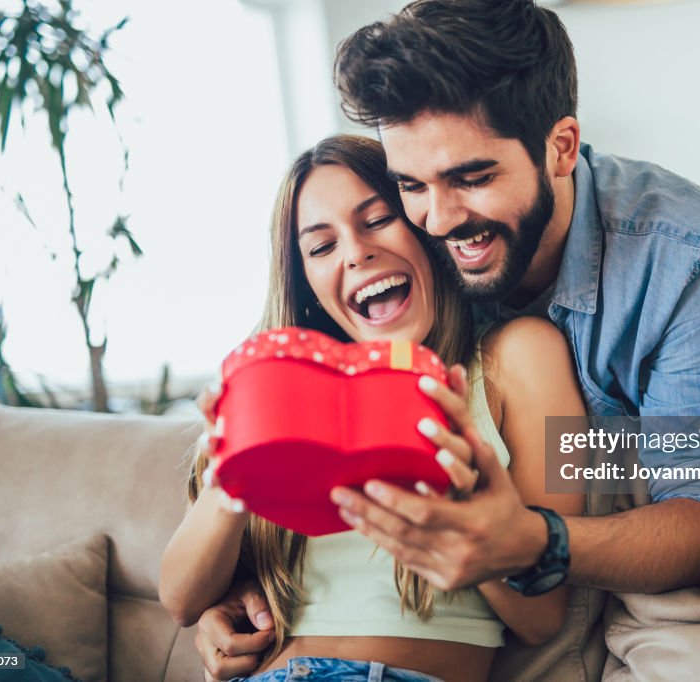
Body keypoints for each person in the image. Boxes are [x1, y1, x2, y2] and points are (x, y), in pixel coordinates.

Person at [196, 0, 700, 678]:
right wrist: (245, 583)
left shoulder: (682, 248)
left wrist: (530, 539)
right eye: (410, 186)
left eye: (472, 178)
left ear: (560, 147)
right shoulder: (406, 245)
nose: (439, 219)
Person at [159, 134, 585, 682]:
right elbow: (181, 602)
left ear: (426, 227)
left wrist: (458, 507)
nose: (356, 252)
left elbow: (543, 618)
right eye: (321, 246)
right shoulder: (288, 398)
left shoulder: (518, 356)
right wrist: (232, 475)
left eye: (378, 219)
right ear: (309, 285)